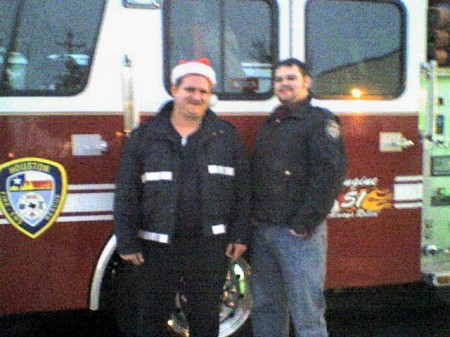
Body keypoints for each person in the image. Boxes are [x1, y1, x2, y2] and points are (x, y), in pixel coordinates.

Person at [113, 58, 250, 337]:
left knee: (205, 319)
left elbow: (242, 191)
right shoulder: (145, 137)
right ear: (175, 89)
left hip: (210, 246)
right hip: (157, 246)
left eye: (204, 92)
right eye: (190, 89)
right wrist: (127, 240)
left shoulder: (226, 136)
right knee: (151, 319)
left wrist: (240, 235)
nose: (197, 97)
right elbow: (127, 192)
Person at [250, 58, 347, 337]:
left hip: (298, 235)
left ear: (307, 82)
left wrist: (304, 223)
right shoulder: (273, 123)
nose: (284, 84)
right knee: (266, 307)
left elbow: (329, 175)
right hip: (265, 230)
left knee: (307, 312)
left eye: (291, 78)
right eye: (279, 79)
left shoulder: (320, 122)